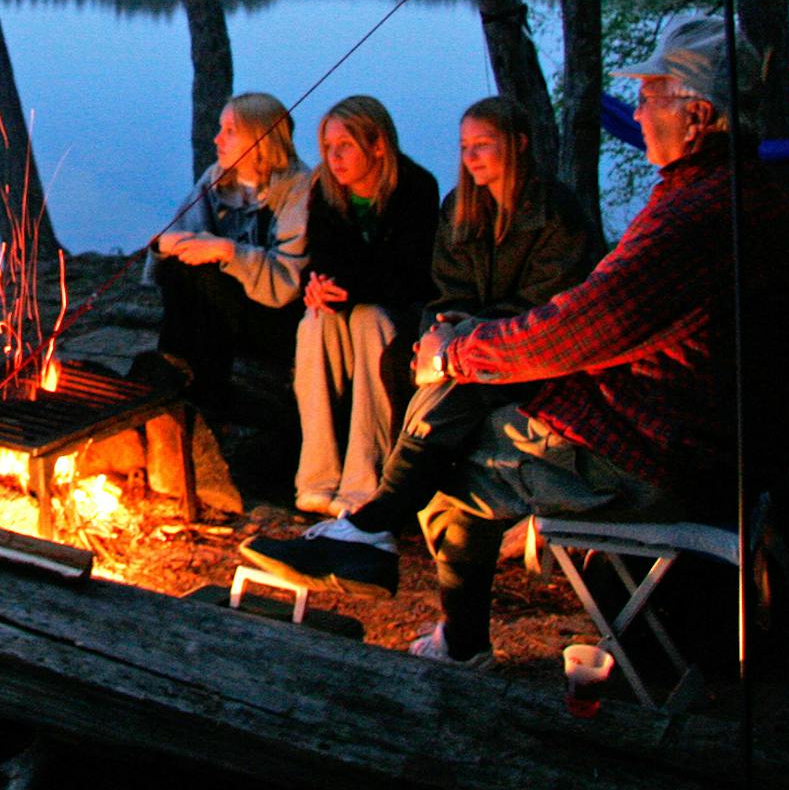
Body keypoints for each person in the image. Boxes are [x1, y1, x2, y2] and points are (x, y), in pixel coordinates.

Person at [249, 16, 789, 668]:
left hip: (672, 452)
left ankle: (448, 626)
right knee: (463, 384)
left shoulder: (698, 216)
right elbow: (564, 309)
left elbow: (582, 323)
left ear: (697, 116)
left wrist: (458, 351)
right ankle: (370, 530)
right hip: (694, 426)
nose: (638, 113)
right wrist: (462, 338)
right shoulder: (730, 195)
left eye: (650, 96)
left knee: (455, 465)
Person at [242, 95, 599, 592]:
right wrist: (439, 329)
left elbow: (546, 305)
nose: (471, 157)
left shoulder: (556, 214)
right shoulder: (462, 207)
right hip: (468, 339)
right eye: (465, 147)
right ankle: (342, 502)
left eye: (483, 145)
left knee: (428, 367)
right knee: (340, 332)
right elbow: (446, 289)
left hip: (528, 350)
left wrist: (459, 336)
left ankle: (371, 519)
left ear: (518, 145)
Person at [289, 95, 440, 515]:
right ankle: (317, 478)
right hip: (348, 305)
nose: (334, 158)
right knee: (314, 322)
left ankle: (363, 483)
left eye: (345, 146)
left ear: (377, 145)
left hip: (401, 313)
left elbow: (408, 273)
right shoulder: (325, 190)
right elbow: (321, 257)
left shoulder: (416, 188)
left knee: (367, 320)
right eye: (328, 147)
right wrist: (316, 286)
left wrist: (347, 285)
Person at [151, 92, 313, 409]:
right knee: (179, 268)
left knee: (209, 277)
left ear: (261, 140)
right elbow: (182, 235)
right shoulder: (218, 179)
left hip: (277, 319)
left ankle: (208, 397)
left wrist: (228, 252)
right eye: (219, 129)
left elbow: (287, 281)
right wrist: (163, 245)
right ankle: (168, 376)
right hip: (224, 309)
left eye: (230, 131)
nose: (217, 139)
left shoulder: (299, 189)